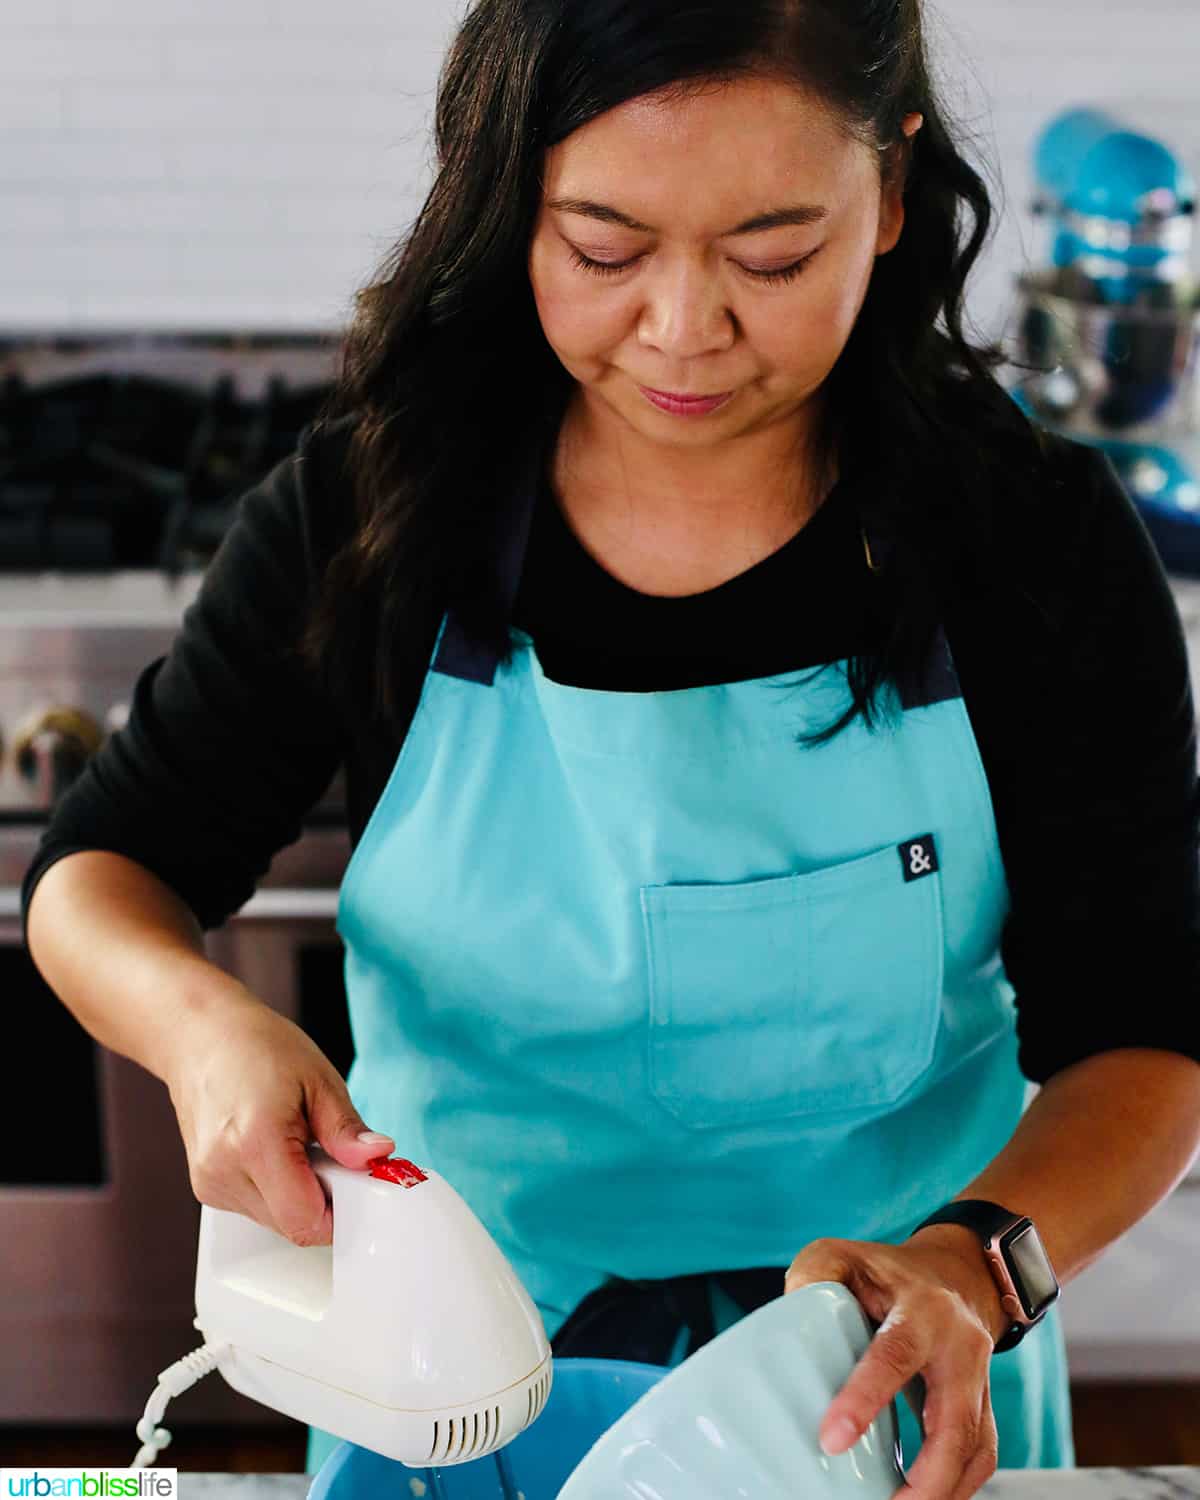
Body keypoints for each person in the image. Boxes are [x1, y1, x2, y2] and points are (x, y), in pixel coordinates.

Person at [22, 2, 1200, 1496]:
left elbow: (1147, 1038)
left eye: (773, 255)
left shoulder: (1032, 543)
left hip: (891, 1379)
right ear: (510, 200)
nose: (683, 328)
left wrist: (980, 1267)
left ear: (893, 194)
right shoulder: (379, 515)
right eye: (603, 248)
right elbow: (99, 873)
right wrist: (202, 1033)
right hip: (460, 1368)